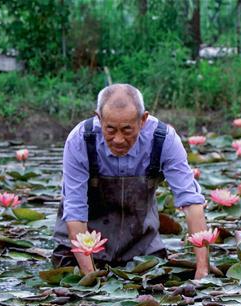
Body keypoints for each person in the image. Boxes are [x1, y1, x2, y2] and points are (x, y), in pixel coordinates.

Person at [53, 83, 210, 278]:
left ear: (143, 120)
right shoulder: (79, 140)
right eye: (110, 129)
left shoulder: (164, 140)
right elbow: (75, 211)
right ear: (98, 118)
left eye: (127, 130)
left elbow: (191, 203)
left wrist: (202, 269)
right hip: (83, 246)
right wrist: (90, 277)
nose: (118, 139)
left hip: (141, 246)